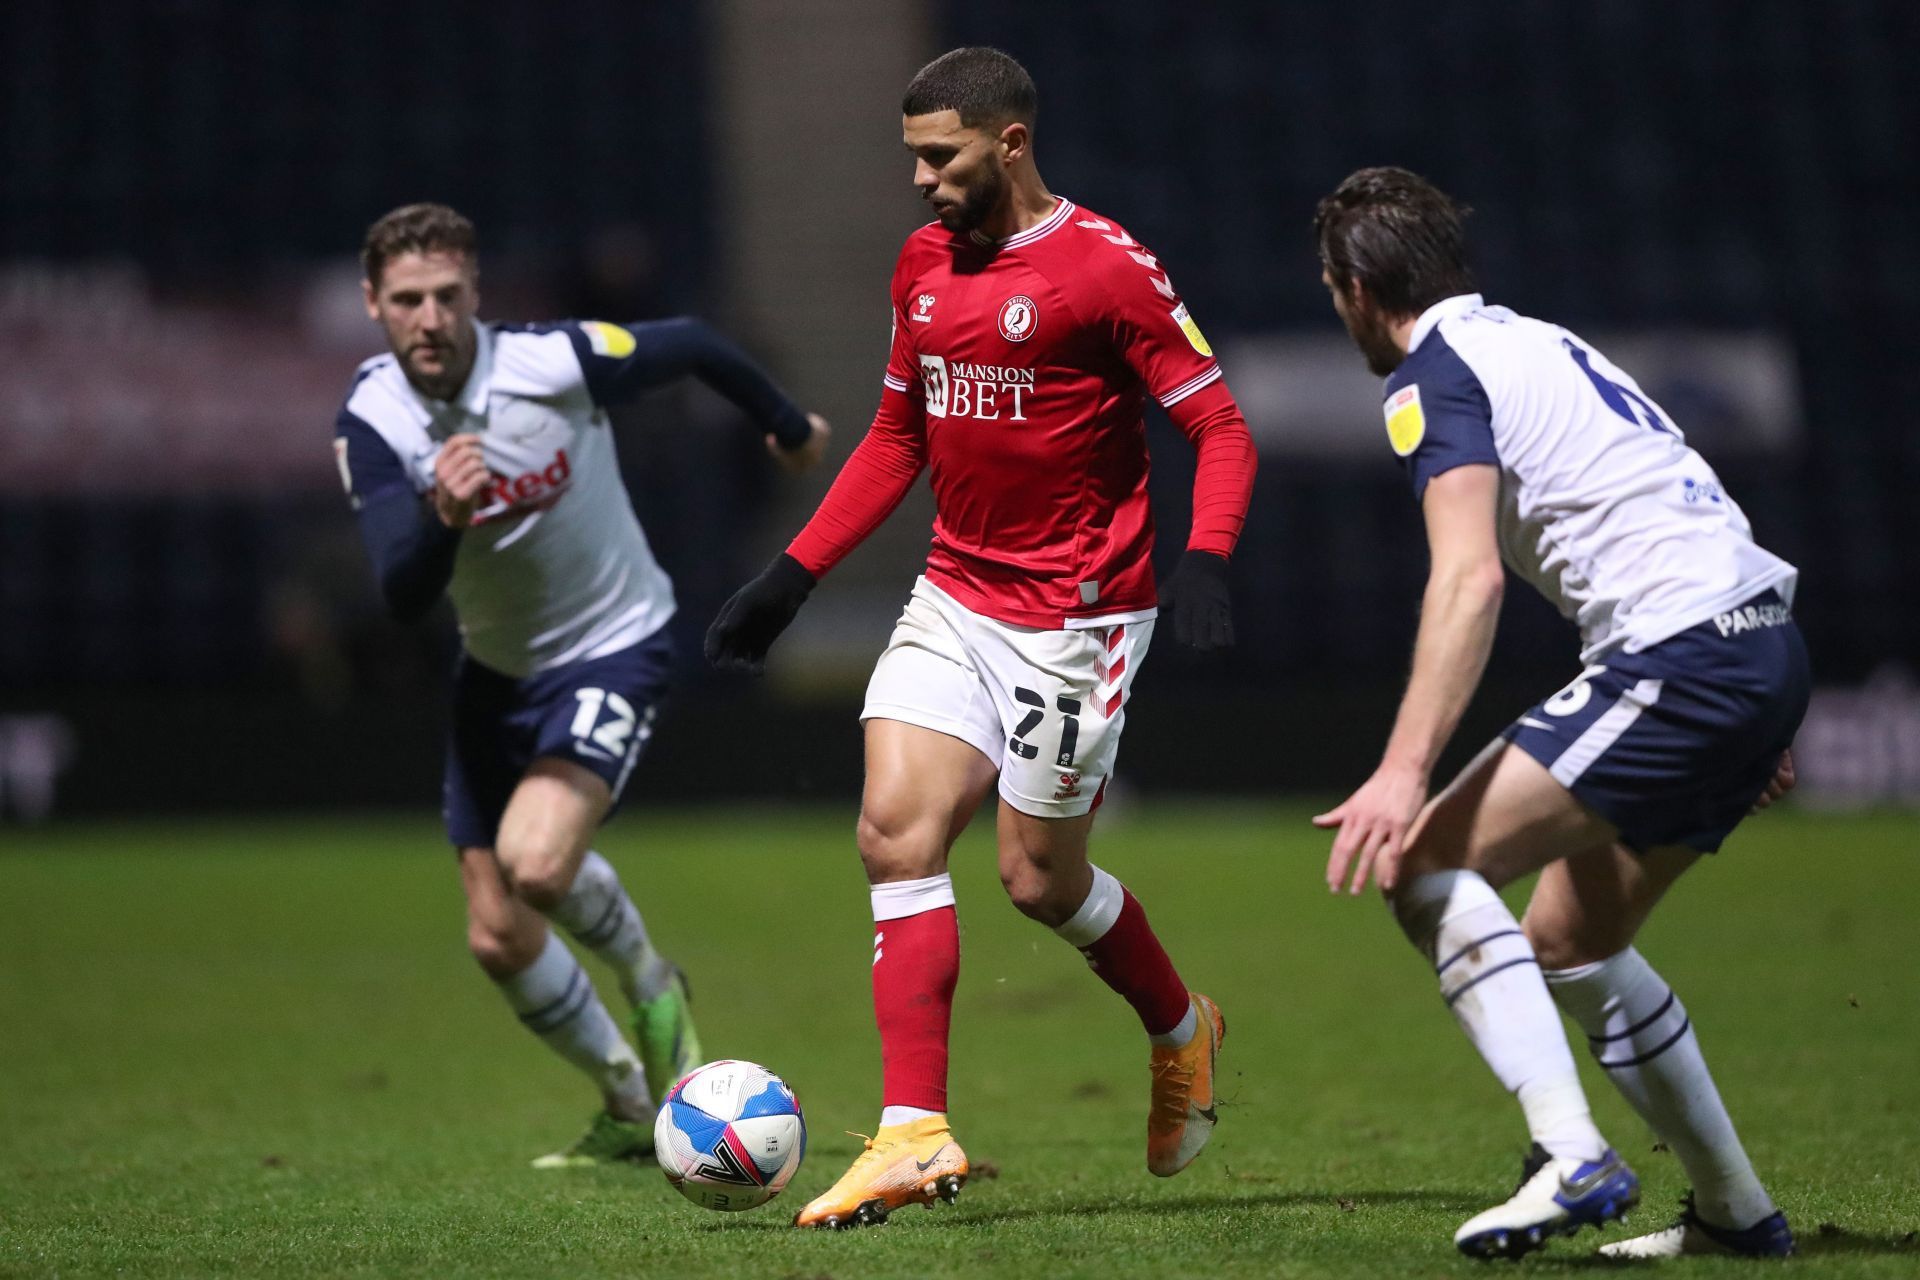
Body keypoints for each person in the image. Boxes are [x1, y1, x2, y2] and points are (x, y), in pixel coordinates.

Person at [706, 47, 1258, 1229]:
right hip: (955, 593)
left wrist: (1204, 556)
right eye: (910, 155)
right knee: (892, 830)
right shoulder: (922, 264)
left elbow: (1219, 425)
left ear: (1008, 143)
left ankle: (1181, 1025)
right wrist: (791, 577)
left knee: (1034, 879)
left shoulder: (1104, 270)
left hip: (1076, 619)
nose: (918, 180)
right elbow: (898, 435)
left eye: (937, 155)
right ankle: (914, 1129)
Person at [1311, 167, 1806, 1260]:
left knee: (1426, 862)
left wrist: (1403, 769)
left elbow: (1469, 578)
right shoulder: (1543, 341)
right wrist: (1755, 698)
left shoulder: (1429, 379)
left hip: (1680, 652)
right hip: (1756, 637)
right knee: (1570, 939)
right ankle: (1734, 1214)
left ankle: (1571, 1151)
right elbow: (1676, 482)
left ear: (1356, 287)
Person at [334, 202, 830, 1168]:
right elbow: (400, 590)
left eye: (445, 296)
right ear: (373, 305)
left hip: (614, 644)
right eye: (406, 301)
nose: (428, 319)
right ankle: (626, 1100)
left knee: (535, 863)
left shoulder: (548, 363)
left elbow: (688, 344)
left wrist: (785, 425)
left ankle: (654, 986)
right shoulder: (373, 418)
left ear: (476, 294)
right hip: (494, 673)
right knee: (496, 933)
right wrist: (442, 515)